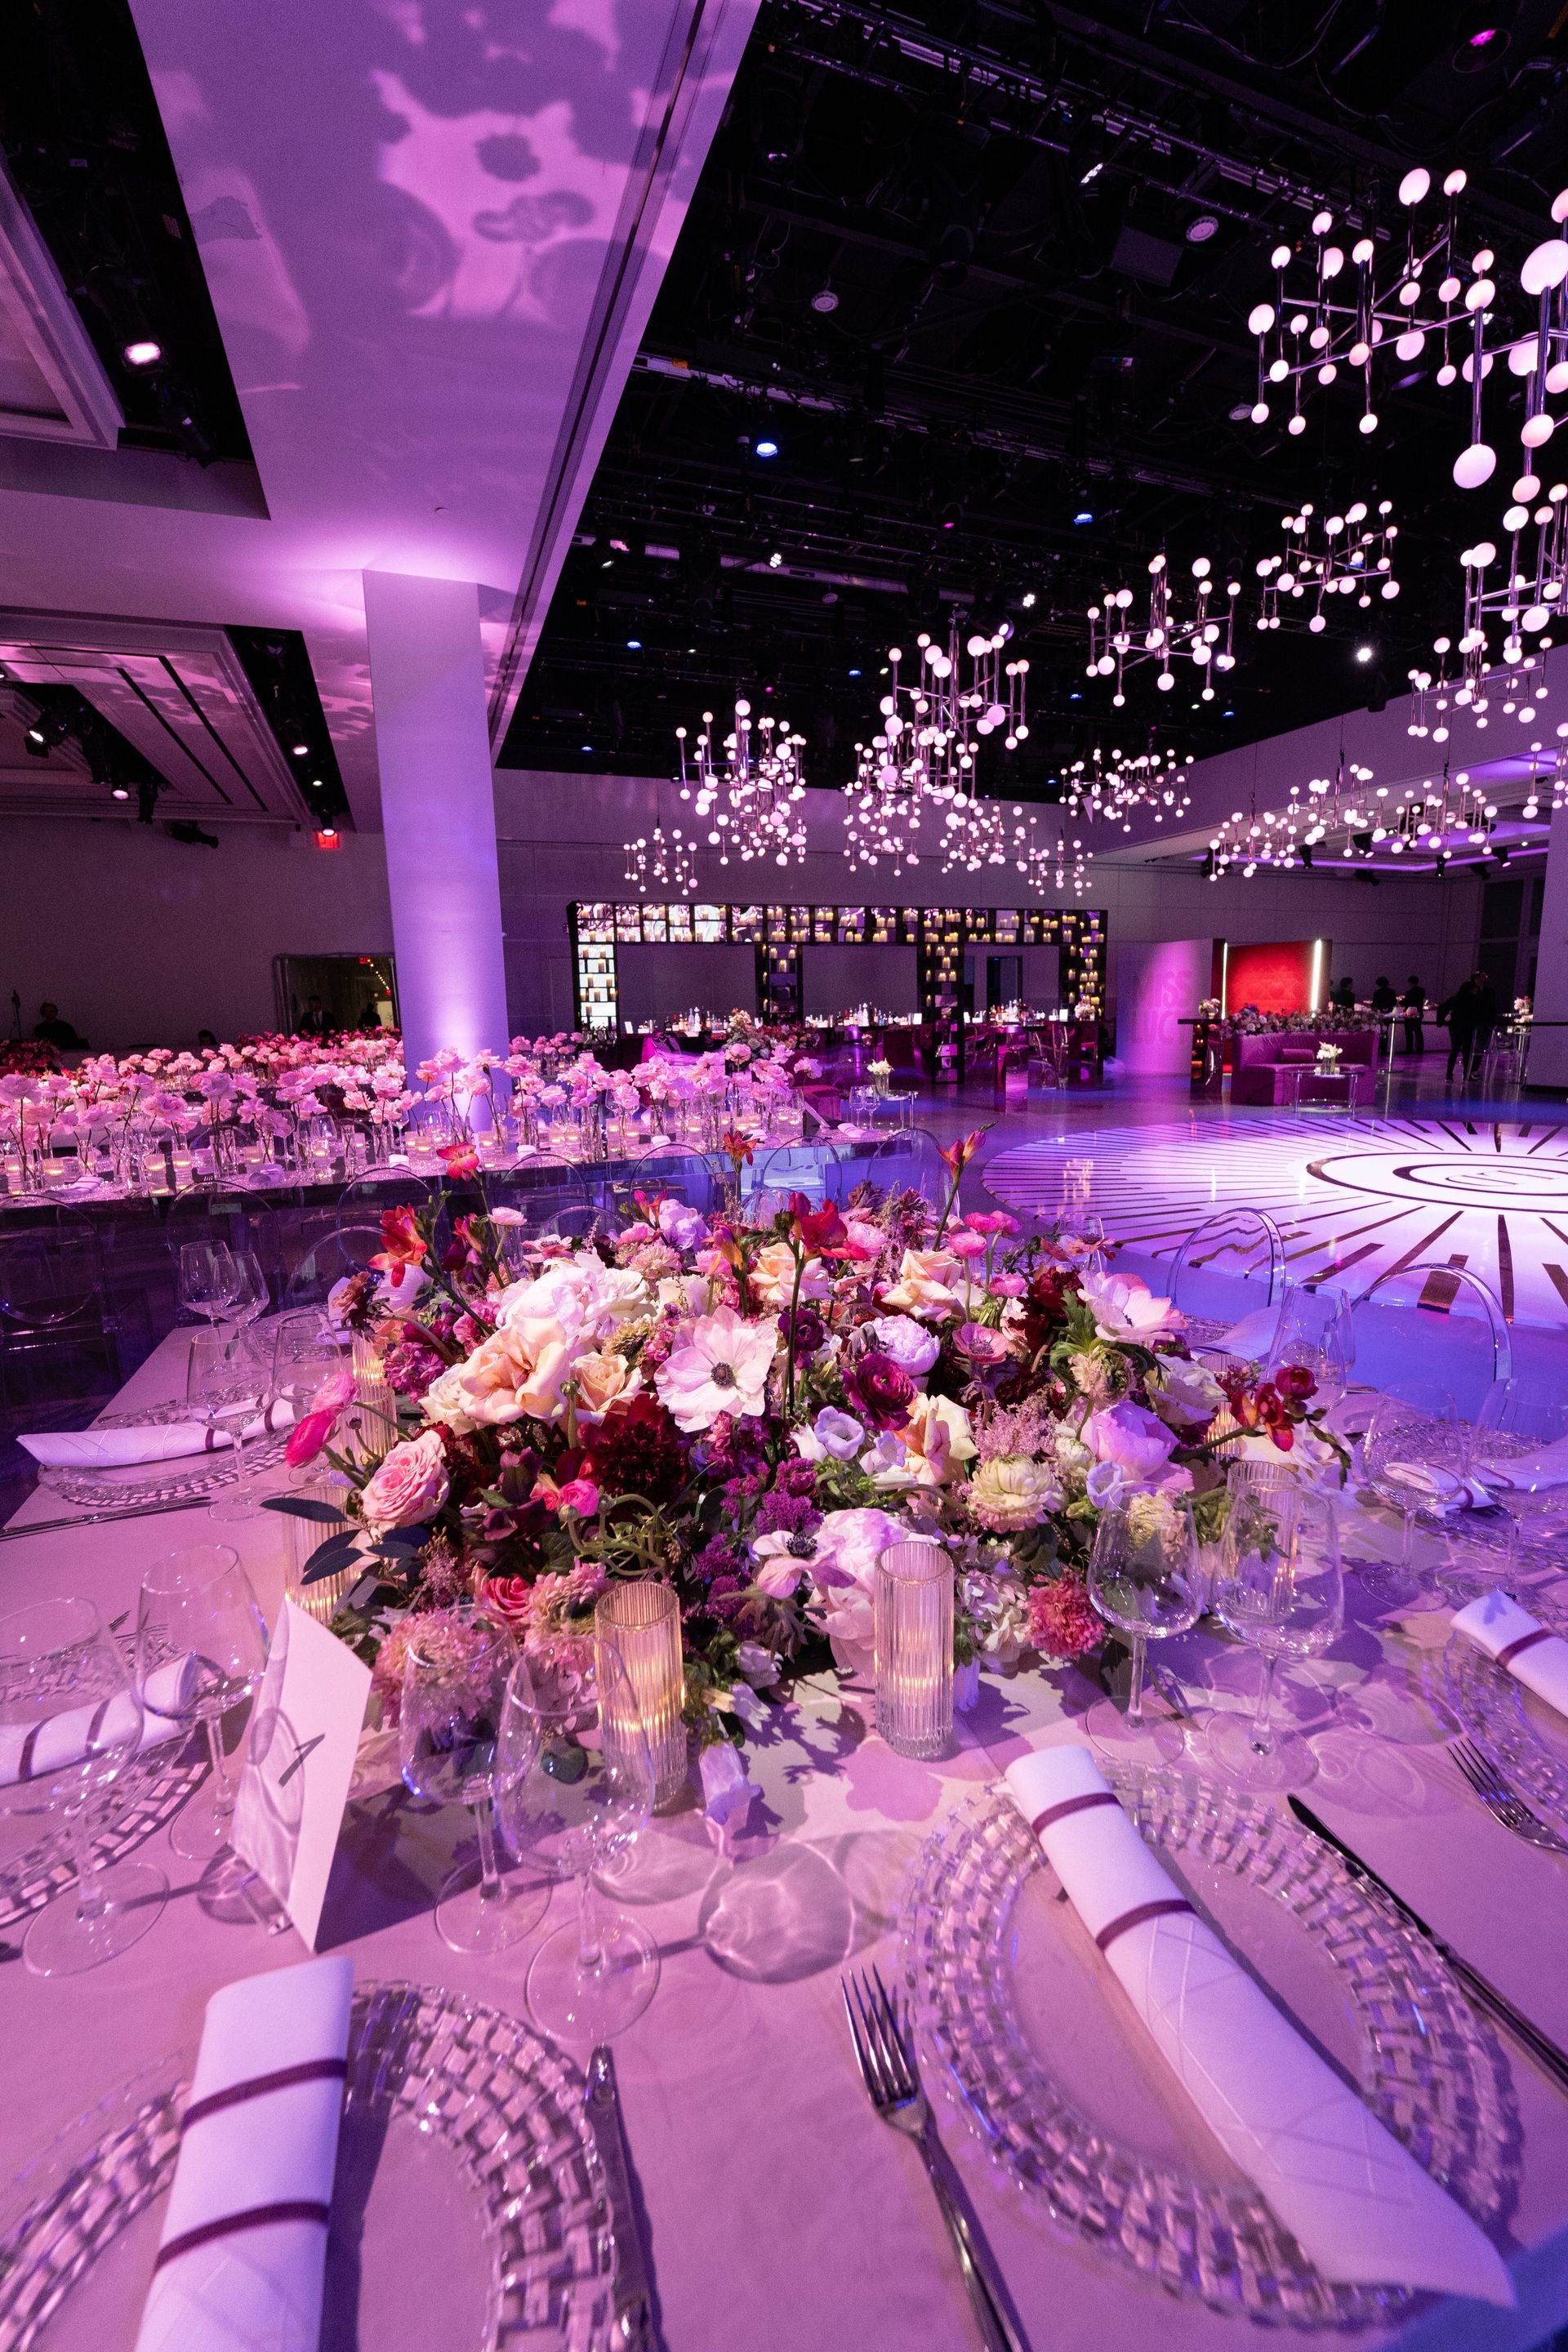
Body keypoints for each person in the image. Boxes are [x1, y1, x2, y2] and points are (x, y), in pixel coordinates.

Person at [1400, 975, 1426, 1056]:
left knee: (1409, 1032)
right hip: (1419, 1012)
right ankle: (1420, 1049)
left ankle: (1409, 1049)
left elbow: (1407, 1002)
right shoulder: (1422, 991)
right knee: (1418, 1032)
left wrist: (1401, 1002)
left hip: (1410, 1013)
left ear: (1410, 983)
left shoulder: (1409, 992)